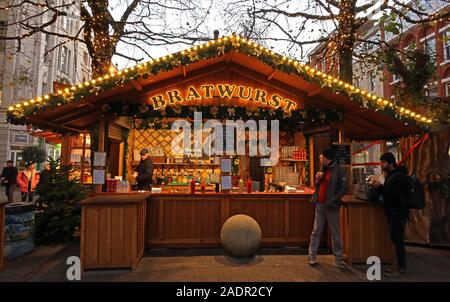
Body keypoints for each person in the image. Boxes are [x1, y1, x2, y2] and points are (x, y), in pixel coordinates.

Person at [371, 152, 410, 278]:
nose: (381, 165)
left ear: (391, 163)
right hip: (394, 213)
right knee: (396, 241)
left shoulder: (398, 177)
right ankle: (397, 266)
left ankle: (401, 269)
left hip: (397, 213)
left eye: (383, 163)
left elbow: (394, 195)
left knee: (398, 241)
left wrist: (379, 187)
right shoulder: (392, 175)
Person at [308, 148, 347, 268]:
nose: (319, 158)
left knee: (335, 233)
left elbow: (344, 187)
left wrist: (335, 198)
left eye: (321, 156)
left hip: (331, 206)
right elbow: (319, 187)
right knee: (316, 231)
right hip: (320, 204)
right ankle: (312, 256)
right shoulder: (323, 169)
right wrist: (317, 180)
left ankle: (338, 258)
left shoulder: (338, 170)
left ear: (326, 157)